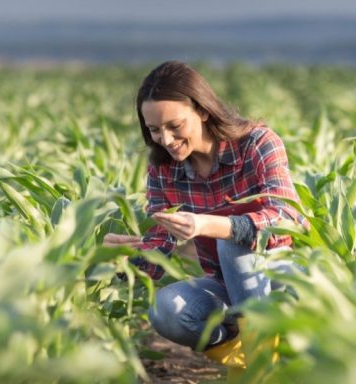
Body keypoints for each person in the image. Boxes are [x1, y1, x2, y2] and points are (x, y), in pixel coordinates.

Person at [103, 60, 307, 378]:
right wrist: (117, 259)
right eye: (154, 130)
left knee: (231, 242)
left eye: (175, 126)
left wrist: (207, 225)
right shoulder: (163, 170)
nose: (166, 140)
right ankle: (250, 353)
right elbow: (158, 253)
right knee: (168, 311)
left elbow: (286, 216)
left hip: (283, 277)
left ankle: (259, 367)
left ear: (203, 110)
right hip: (226, 285)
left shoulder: (258, 144)